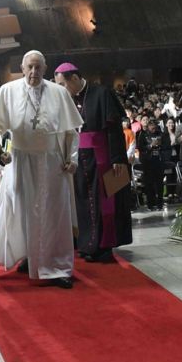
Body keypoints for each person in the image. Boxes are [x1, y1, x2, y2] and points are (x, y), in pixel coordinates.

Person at [0, 51, 83, 289]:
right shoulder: (7, 91)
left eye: (38, 68)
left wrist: (73, 159)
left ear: (45, 68)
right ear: (22, 66)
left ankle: (58, 266)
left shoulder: (59, 93)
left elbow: (72, 131)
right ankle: (29, 257)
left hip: (52, 163)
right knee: (21, 211)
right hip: (19, 160)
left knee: (54, 215)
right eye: (29, 67)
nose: (33, 72)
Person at [54, 63, 132, 260]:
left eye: (62, 84)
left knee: (106, 202)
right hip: (80, 158)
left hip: (104, 157)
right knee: (84, 202)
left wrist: (117, 158)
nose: (61, 89)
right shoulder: (68, 99)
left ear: (74, 78)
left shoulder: (102, 93)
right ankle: (88, 244)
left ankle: (105, 247)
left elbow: (114, 129)